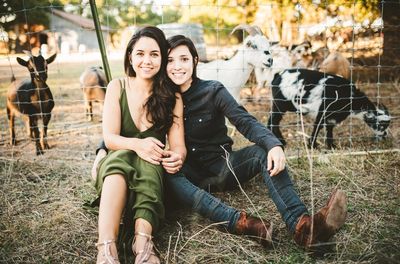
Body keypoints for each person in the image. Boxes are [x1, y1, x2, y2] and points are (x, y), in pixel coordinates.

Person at [94, 35, 347, 251]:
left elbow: (244, 120)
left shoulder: (213, 90)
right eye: (170, 60)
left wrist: (273, 144)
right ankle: (242, 223)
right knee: (165, 171)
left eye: (184, 59)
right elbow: (130, 126)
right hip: (186, 174)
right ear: (162, 65)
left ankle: (303, 226)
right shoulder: (160, 96)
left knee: (261, 153)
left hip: (223, 165)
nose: (177, 67)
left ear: (195, 61)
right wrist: (102, 149)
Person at [93, 27, 186, 264]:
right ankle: (106, 249)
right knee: (117, 162)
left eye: (154, 54)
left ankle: (142, 244)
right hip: (118, 162)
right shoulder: (117, 86)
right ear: (130, 57)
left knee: (149, 166)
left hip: (150, 165)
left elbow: (178, 145)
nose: (147, 60)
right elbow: (111, 138)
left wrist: (178, 157)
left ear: (162, 58)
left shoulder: (172, 97)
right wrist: (137, 144)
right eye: (140, 53)